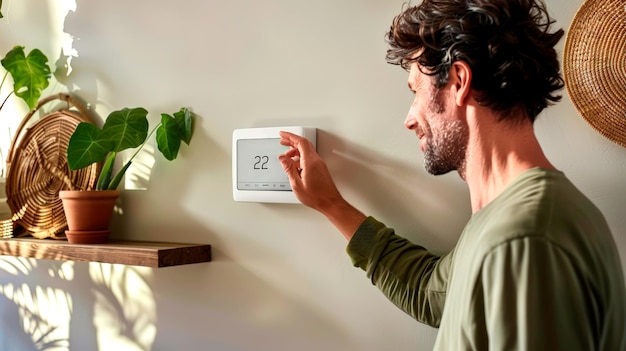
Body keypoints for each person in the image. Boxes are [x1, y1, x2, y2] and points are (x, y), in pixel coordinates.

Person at [278, 0, 626, 350]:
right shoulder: (504, 218)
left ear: (458, 81)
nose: (410, 118)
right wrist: (331, 204)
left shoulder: (524, 239)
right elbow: (433, 293)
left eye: (416, 90)